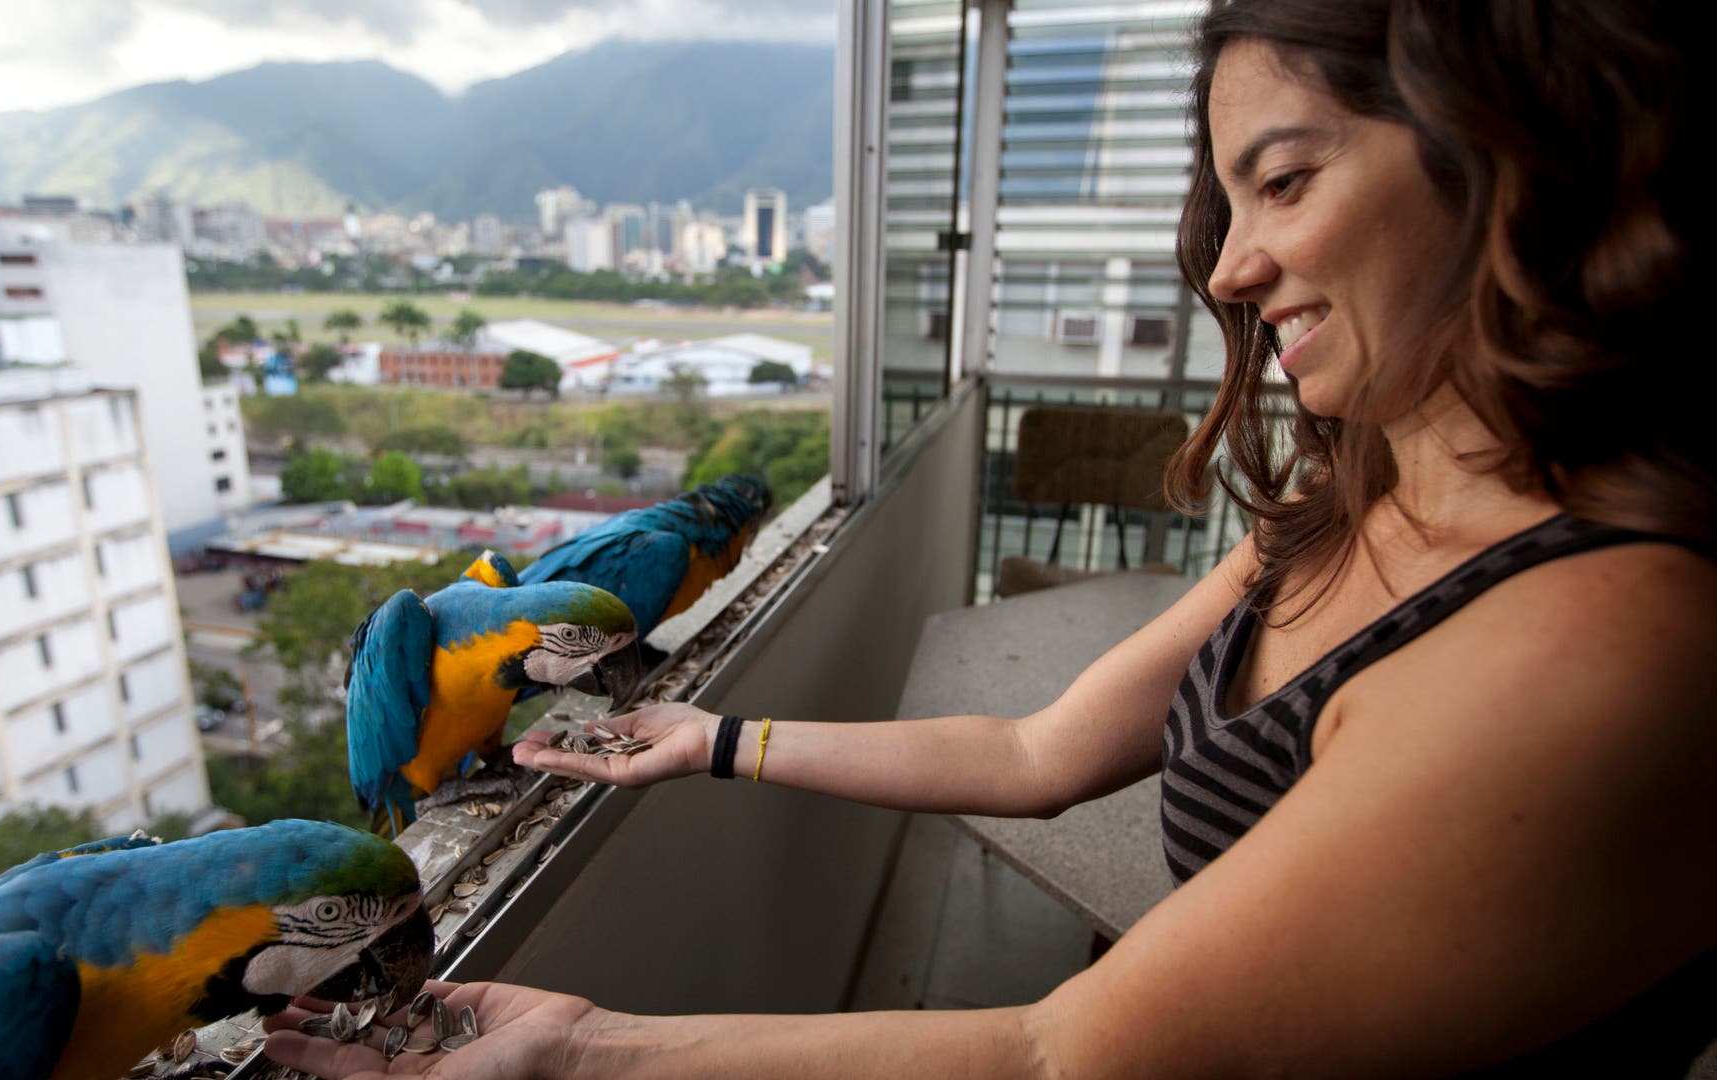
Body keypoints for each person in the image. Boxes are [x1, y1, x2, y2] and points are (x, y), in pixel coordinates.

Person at [267, 1, 1711, 1075]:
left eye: (1285, 180)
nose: (1230, 265)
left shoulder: (1608, 635)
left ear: (1506, 153)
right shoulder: (1355, 512)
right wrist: (715, 743)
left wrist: (585, 1053)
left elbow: (1065, 1053)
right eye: (1229, 201)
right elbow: (1038, 756)